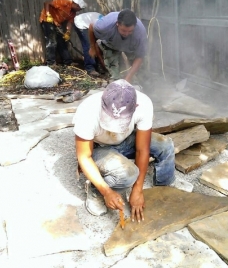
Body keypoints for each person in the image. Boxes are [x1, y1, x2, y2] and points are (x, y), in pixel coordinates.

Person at [73, 79, 193, 223]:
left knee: (166, 145)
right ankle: (95, 191)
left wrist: (138, 190)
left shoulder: (144, 104)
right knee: (129, 174)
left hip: (126, 139)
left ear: (135, 107)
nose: (113, 128)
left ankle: (166, 182)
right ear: (102, 103)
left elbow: (142, 149)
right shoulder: (88, 111)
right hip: (100, 147)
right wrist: (107, 191)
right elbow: (85, 156)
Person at [88, 9, 147, 83]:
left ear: (134, 27)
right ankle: (115, 80)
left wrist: (128, 78)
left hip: (130, 46)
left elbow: (140, 56)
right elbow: (91, 27)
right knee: (114, 74)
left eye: (130, 31)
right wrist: (92, 47)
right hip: (111, 43)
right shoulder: (105, 25)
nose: (126, 34)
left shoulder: (140, 32)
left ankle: (139, 84)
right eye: (123, 30)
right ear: (117, 24)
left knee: (137, 73)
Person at [39, 0, 85, 66]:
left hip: (57, 23)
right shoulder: (63, 2)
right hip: (47, 20)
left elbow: (70, 22)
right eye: (79, 9)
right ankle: (51, 63)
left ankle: (68, 62)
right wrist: (48, 15)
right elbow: (46, 3)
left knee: (62, 42)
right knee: (52, 41)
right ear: (76, 5)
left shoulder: (73, 13)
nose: (79, 11)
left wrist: (68, 32)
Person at [74, 12, 104, 77]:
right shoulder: (101, 25)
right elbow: (91, 27)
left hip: (89, 24)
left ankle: (97, 65)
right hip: (81, 23)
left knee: (96, 44)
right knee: (89, 45)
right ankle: (90, 68)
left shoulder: (105, 26)